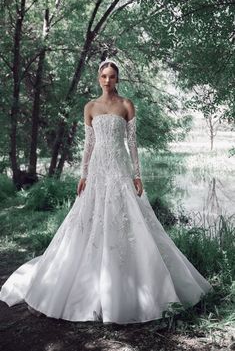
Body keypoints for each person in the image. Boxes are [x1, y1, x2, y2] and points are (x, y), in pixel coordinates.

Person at [0, 58, 212, 324]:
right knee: (88, 220)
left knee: (129, 218)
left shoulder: (126, 105)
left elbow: (132, 144)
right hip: (99, 169)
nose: (108, 80)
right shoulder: (90, 106)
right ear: (98, 78)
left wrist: (137, 174)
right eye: (104, 76)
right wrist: (84, 174)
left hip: (121, 169)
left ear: (117, 79)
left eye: (112, 76)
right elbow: (88, 145)